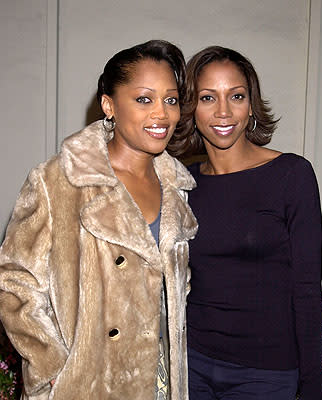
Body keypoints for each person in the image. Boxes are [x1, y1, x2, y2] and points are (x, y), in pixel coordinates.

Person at [0, 40, 197, 400]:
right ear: (109, 105)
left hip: (159, 382)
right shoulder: (59, 179)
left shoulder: (175, 187)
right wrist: (52, 368)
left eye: (170, 100)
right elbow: (14, 283)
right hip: (85, 383)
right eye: (143, 99)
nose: (162, 114)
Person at [174, 46, 322, 399]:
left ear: (251, 104)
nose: (223, 111)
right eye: (208, 97)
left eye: (236, 96)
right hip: (193, 365)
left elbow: (306, 290)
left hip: (266, 375)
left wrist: (312, 386)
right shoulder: (182, 183)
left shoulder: (291, 175)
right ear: (191, 108)